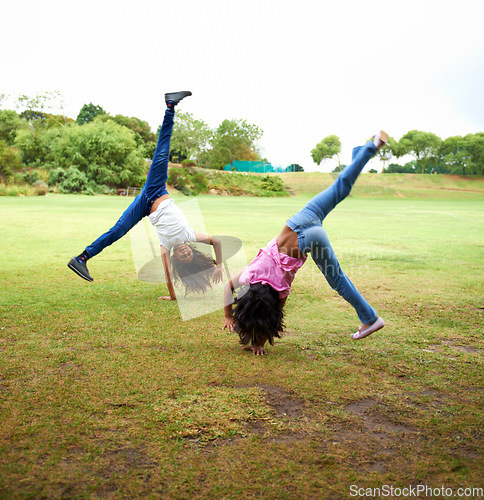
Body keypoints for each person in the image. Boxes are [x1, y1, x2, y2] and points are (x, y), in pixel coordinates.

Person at [222, 131, 389, 355]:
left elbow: (272, 318)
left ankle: (371, 317)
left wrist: (257, 342)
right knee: (342, 186)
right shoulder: (249, 275)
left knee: (338, 279)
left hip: (310, 240)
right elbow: (227, 288)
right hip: (301, 220)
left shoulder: (279, 292)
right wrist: (227, 313)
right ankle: (369, 148)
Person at [68, 91, 223, 299]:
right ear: (192, 250)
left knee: (118, 230)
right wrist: (220, 265)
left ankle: (81, 258)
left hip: (144, 204)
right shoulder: (190, 235)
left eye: (182, 256)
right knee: (162, 152)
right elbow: (217, 242)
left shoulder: (166, 245)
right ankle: (170, 107)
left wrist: (173, 296)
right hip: (156, 191)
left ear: (176, 256)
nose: (185, 252)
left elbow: (168, 273)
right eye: (189, 253)